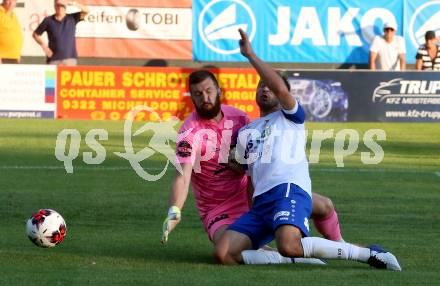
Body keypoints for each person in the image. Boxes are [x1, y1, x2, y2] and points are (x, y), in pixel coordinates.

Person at [214, 29, 401, 271]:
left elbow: (281, 90)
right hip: (262, 203)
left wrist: (250, 55)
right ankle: (300, 257)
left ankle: (369, 254)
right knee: (224, 253)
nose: (265, 89)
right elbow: (250, 177)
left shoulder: (291, 116)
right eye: (261, 85)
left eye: (270, 85)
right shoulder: (246, 132)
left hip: (288, 189)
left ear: (283, 93)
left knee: (288, 243)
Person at [161, 69, 347, 265]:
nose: (204, 98)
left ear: (219, 90)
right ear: (192, 97)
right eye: (198, 94)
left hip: (254, 193)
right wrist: (174, 210)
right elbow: (182, 176)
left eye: (208, 91)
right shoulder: (189, 132)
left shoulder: (240, 118)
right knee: (231, 252)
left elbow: (253, 157)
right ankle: (294, 259)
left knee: (324, 205)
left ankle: (340, 243)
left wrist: (240, 165)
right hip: (217, 208)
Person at [32, 0, 89, 66]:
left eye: (62, 6)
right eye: (57, 5)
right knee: (50, 77)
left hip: (70, 60)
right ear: (54, 6)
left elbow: (87, 10)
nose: (59, 8)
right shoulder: (48, 20)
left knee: (70, 76)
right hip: (53, 60)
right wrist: (44, 46)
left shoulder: (72, 18)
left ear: (65, 7)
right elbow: (35, 34)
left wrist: (72, 3)